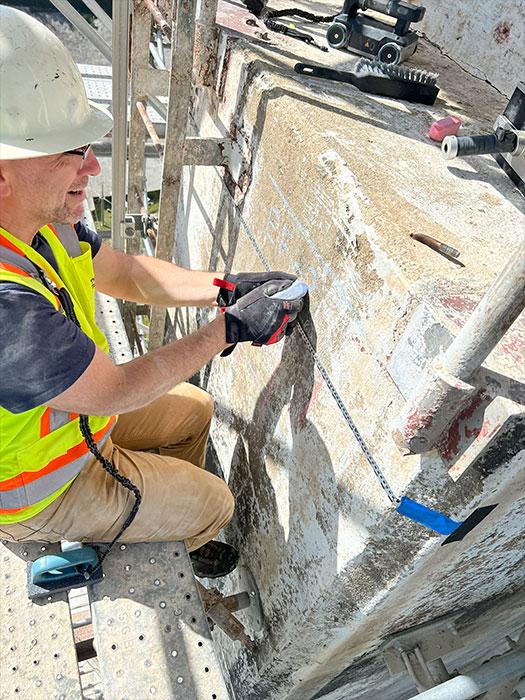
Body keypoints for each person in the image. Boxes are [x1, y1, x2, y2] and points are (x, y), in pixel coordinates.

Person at [0, 6, 303, 579]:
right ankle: (186, 534)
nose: (91, 165)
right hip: (38, 486)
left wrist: (224, 287)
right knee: (217, 502)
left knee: (197, 409)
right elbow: (115, 390)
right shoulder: (4, 309)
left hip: (72, 422)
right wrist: (230, 329)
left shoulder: (40, 222)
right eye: (70, 152)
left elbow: (125, 273)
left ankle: (166, 519)